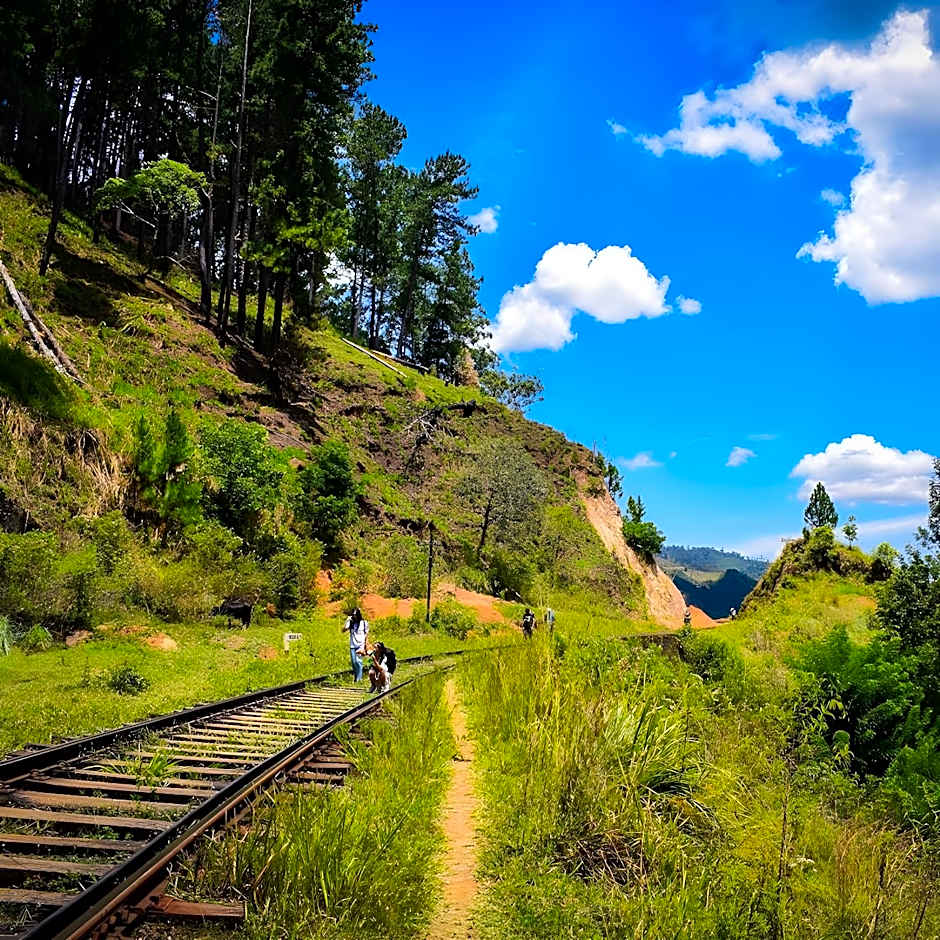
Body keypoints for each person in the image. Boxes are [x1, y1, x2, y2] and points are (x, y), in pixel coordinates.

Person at [342, 608, 369, 681]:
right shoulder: (351, 622)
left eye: (355, 615)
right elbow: (343, 630)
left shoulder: (364, 623)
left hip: (361, 645)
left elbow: (366, 634)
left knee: (358, 661)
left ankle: (358, 679)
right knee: (354, 662)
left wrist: (366, 645)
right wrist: (347, 620)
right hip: (353, 646)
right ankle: (357, 676)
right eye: (353, 615)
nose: (354, 617)